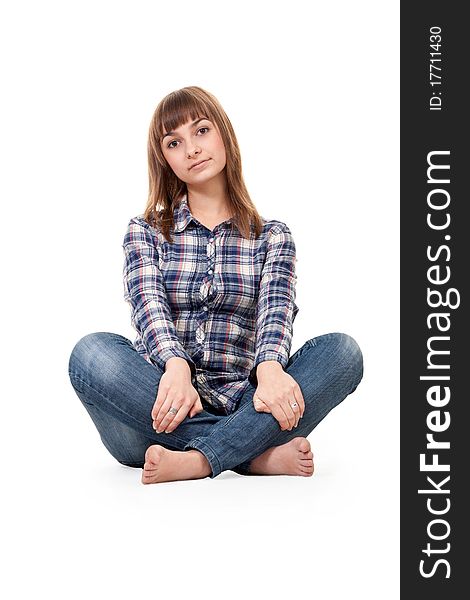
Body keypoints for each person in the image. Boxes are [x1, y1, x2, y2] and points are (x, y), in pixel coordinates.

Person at [68, 85, 363, 485]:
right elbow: (147, 303)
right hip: (158, 408)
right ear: (165, 160)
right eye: (175, 142)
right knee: (90, 353)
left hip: (248, 402)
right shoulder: (146, 231)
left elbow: (276, 310)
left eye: (201, 131)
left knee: (342, 352)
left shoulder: (272, 236)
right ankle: (250, 456)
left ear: (224, 134)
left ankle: (198, 460)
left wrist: (271, 368)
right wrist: (175, 367)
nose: (192, 149)